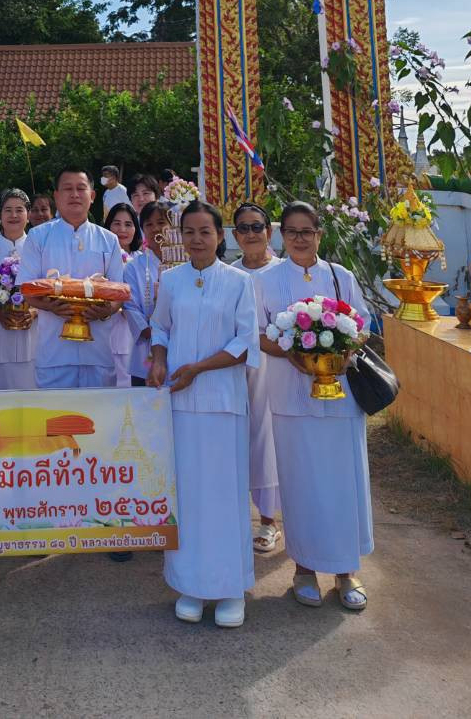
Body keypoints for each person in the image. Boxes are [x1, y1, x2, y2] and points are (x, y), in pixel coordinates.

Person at [255, 200, 373, 611]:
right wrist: (293, 353)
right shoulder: (266, 281)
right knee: (301, 483)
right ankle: (304, 568)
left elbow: (362, 326)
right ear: (280, 236)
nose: (300, 239)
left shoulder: (340, 277)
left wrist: (338, 350)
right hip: (290, 397)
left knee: (343, 483)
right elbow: (258, 335)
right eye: (292, 231)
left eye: (308, 231)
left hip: (341, 399)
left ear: (320, 234)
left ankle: (345, 570)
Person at [147, 199, 259, 629]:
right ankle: (190, 585)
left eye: (205, 232)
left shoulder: (238, 282)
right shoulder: (171, 280)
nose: (196, 239)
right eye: (189, 232)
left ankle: (231, 589)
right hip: (180, 402)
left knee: (224, 496)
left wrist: (198, 368)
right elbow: (160, 327)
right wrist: (160, 359)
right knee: (189, 496)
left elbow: (245, 342)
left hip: (223, 404)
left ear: (219, 236)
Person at [17, 168, 124, 388]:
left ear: (92, 196)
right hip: (54, 353)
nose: (75, 194)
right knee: (55, 418)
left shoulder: (109, 240)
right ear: (56, 196)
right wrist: (53, 307)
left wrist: (106, 310)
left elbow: (119, 292)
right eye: (67, 188)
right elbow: (26, 288)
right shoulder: (38, 237)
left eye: (81, 188)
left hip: (99, 353)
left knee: (99, 419)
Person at [231, 201, 281, 554]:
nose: (250, 234)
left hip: (274, 368)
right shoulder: (228, 273)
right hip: (231, 367)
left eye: (256, 227)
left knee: (268, 442)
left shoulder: (283, 272)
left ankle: (268, 521)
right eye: (243, 228)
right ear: (234, 236)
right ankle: (233, 517)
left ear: (270, 231)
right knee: (235, 441)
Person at [0, 188, 37, 390]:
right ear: (0, 215)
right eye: (8, 210)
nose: (14, 215)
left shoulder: (39, 247)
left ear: (28, 215)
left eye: (19, 210)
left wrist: (34, 310)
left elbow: (50, 290)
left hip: (31, 340)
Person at [124, 201, 169, 386]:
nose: (155, 229)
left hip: (182, 345)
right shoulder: (133, 266)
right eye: (149, 224)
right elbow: (129, 305)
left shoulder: (187, 261)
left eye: (161, 222)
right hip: (147, 348)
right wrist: (149, 330)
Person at [104, 202, 141, 389]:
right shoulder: (101, 258)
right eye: (116, 223)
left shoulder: (143, 259)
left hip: (138, 330)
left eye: (128, 224)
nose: (122, 230)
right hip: (109, 326)